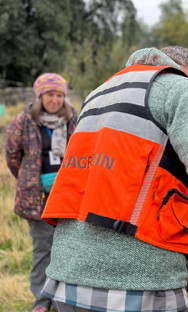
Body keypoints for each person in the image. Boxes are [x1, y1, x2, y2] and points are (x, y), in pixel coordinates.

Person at [39, 46, 188, 312]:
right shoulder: (181, 87)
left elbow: (122, 178)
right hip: (137, 282)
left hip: (67, 275)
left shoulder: (100, 92)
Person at [6, 73, 77, 312]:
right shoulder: (24, 121)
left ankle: (62, 299)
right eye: (50, 95)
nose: (55, 100)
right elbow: (13, 156)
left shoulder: (73, 120)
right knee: (42, 250)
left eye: (59, 95)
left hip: (68, 197)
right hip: (38, 199)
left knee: (67, 250)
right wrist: (29, 179)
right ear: (40, 96)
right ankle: (41, 299)